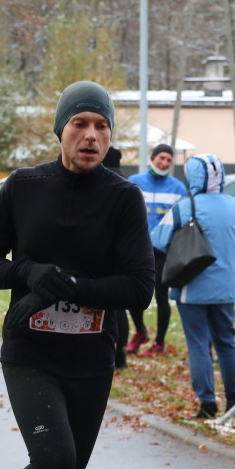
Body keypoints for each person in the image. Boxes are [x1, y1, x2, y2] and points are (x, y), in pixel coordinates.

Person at [0, 80, 154, 469]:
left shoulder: (123, 198)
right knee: (54, 459)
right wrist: (28, 273)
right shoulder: (24, 188)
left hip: (91, 360)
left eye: (101, 126)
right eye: (80, 124)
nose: (91, 135)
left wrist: (71, 286)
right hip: (30, 352)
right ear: (61, 131)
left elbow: (140, 286)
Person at [150, 153, 235, 418]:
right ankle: (234, 400)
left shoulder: (185, 206)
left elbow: (159, 240)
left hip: (191, 286)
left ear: (192, 176)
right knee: (227, 343)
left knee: (198, 344)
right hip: (226, 287)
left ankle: (207, 403)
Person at [126, 143, 187, 356]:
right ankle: (140, 331)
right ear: (152, 158)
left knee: (161, 296)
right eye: (161, 158)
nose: (165, 163)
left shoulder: (178, 188)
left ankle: (159, 342)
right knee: (133, 294)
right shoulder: (134, 182)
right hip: (137, 249)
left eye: (169, 160)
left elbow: (182, 220)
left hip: (163, 252)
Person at [102, 146, 129, 369]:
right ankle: (121, 353)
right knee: (120, 308)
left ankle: (109, 349)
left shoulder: (102, 181)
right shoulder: (126, 183)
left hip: (104, 252)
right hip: (124, 252)